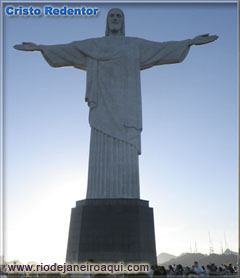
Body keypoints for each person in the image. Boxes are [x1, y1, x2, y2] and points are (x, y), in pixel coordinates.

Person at [14, 8, 218, 199]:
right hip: (102, 107)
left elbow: (161, 49)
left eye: (118, 16)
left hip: (127, 110)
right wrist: (40, 48)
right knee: (99, 153)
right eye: (111, 16)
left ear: (123, 22)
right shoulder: (94, 46)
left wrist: (188, 43)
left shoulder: (133, 45)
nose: (115, 19)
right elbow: (69, 50)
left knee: (127, 150)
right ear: (106, 21)